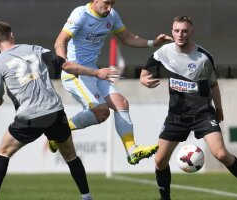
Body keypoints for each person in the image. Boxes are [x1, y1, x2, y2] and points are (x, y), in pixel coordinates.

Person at [140, 16, 237, 200]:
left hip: (202, 114)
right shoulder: (164, 52)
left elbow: (214, 85)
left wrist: (219, 109)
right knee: (160, 160)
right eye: (177, 31)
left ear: (191, 32)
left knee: (221, 153)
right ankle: (165, 198)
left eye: (185, 31)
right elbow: (144, 74)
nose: (180, 34)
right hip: (176, 116)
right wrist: (144, 80)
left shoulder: (203, 57)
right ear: (172, 31)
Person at [0, 21, 117, 200]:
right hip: (54, 113)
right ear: (11, 35)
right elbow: (66, 65)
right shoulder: (34, 49)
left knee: (3, 152)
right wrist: (96, 73)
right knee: (71, 156)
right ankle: (87, 197)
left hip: (29, 117)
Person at [52, 0, 173, 165]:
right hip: (75, 74)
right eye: (106, 3)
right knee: (102, 112)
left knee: (121, 103)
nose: (109, 8)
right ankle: (59, 130)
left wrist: (153, 43)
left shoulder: (112, 15)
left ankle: (132, 151)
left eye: (112, 4)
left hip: (95, 72)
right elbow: (60, 40)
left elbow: (127, 38)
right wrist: (64, 62)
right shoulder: (81, 14)